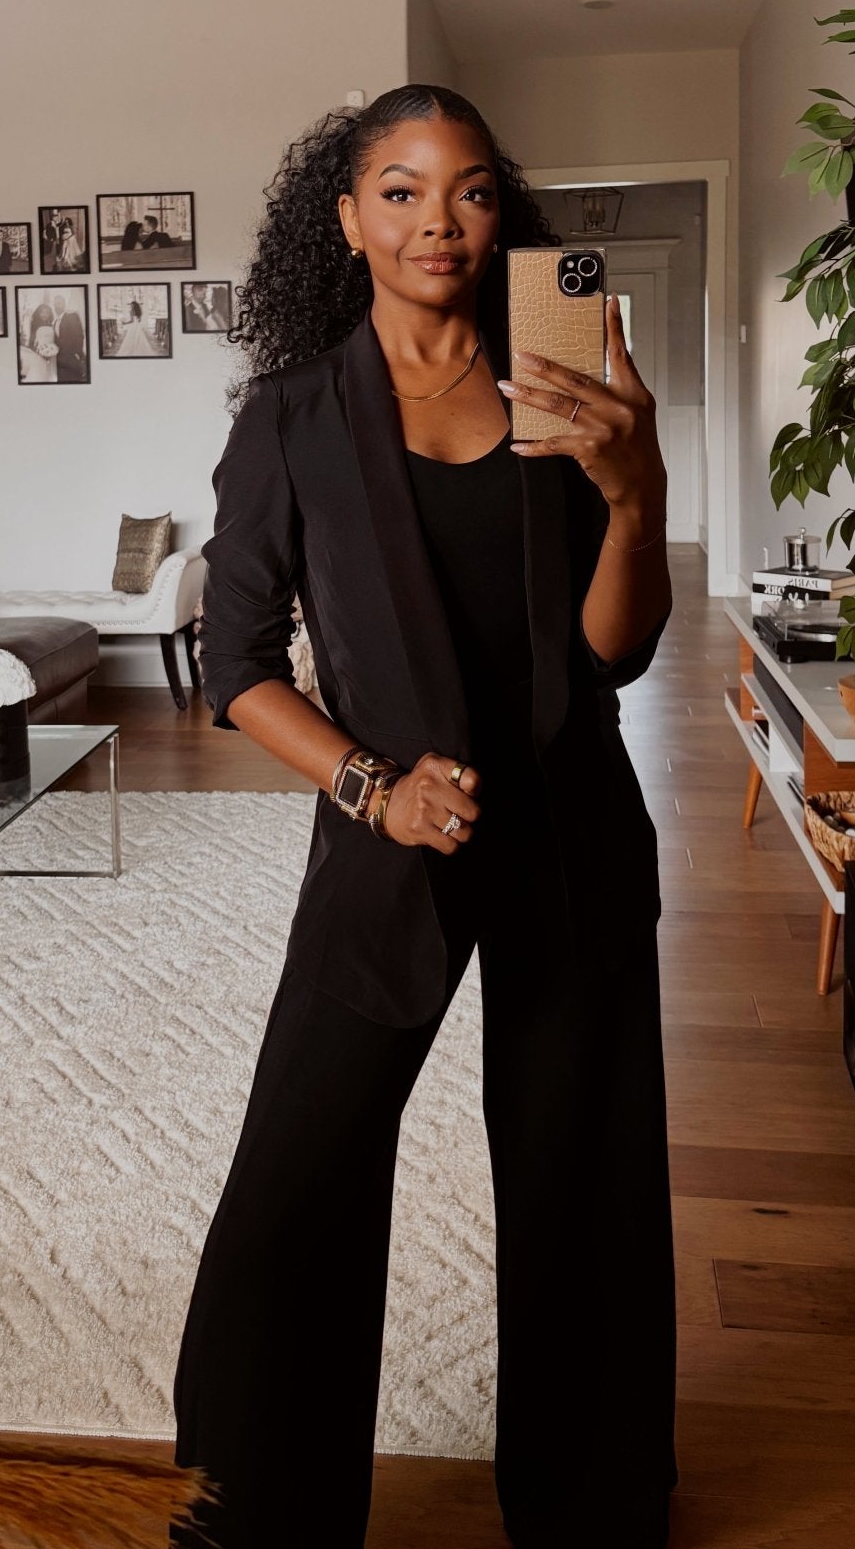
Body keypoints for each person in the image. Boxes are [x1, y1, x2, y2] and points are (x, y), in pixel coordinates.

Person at [172, 83, 676, 1549]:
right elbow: (237, 664)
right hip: (387, 846)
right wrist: (369, 788)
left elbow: (613, 649)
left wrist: (634, 492)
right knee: (296, 1182)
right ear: (347, 222)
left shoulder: (558, 385)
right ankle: (251, 1508)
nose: (434, 220)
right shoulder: (291, 420)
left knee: (581, 1186)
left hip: (573, 832)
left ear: (497, 212)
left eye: (462, 191)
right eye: (398, 190)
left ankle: (588, 1513)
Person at [54, 291, 87, 382]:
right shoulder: (55, 322)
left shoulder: (72, 316)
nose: (57, 306)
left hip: (72, 358)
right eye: (55, 304)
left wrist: (77, 353)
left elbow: (79, 335)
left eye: (59, 303)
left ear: (64, 304)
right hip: (60, 361)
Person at [21, 298, 56, 382]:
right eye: (42, 312)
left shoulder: (52, 325)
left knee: (50, 376)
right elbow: (31, 342)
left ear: (50, 314)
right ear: (38, 313)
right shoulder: (34, 325)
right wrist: (41, 353)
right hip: (38, 355)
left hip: (52, 356)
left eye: (47, 312)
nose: (44, 314)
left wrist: (51, 351)